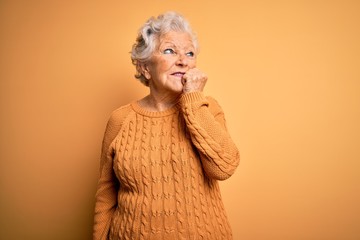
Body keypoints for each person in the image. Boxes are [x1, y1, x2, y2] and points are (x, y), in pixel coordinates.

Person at [93, 11, 240, 240]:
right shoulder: (120, 120)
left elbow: (222, 168)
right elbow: (106, 197)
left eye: (189, 53)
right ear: (144, 67)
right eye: (170, 50)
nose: (182, 60)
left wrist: (192, 100)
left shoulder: (206, 108)